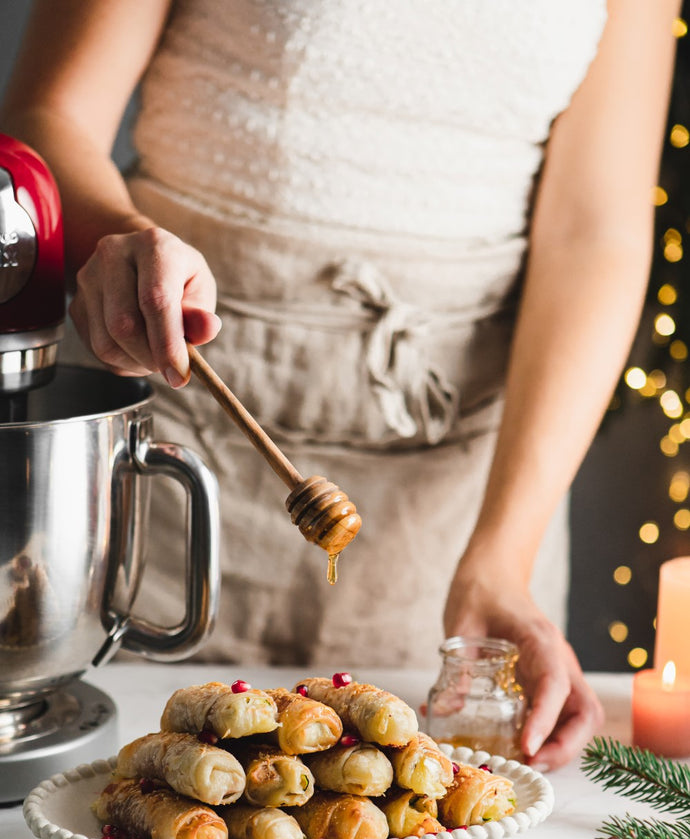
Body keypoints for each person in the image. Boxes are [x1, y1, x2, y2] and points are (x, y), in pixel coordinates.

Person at [0, 0, 680, 769]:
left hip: (463, 485)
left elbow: (596, 232)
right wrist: (115, 241)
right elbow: (48, 113)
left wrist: (503, 556)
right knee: (140, 795)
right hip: (187, 413)